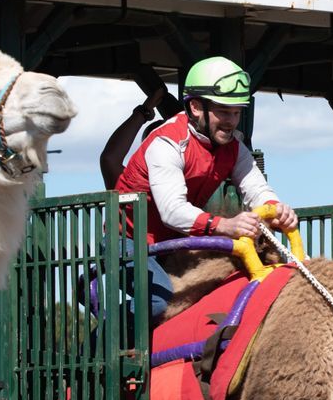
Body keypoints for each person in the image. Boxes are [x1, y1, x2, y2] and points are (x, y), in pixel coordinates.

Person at [107, 57, 296, 312]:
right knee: (160, 303)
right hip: (129, 242)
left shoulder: (234, 147)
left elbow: (256, 189)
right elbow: (173, 211)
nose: (231, 120)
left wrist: (276, 209)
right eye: (223, 111)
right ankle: (100, 343)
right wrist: (226, 225)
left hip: (174, 242)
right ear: (196, 107)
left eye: (237, 112)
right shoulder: (167, 144)